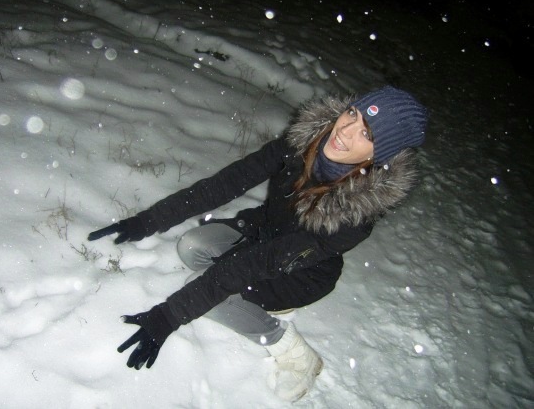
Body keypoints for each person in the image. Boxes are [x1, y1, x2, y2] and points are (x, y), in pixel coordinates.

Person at [88, 85, 428, 402]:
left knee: (210, 294)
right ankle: (252, 299)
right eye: (353, 113)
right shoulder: (303, 143)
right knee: (191, 247)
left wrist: (168, 317)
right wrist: (147, 221)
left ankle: (293, 351)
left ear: (380, 155)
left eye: (367, 134)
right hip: (263, 231)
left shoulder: (356, 217)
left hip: (300, 272)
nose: (346, 130)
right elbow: (227, 183)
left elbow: (260, 262)